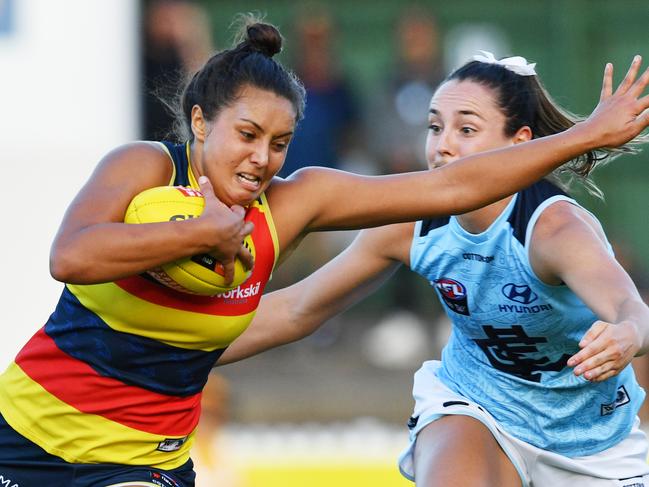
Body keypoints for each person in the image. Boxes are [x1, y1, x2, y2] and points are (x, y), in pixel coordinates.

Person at [0, 11, 647, 483]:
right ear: (199, 122)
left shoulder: (297, 201)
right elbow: (73, 257)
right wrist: (190, 257)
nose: (260, 158)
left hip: (589, 444)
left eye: (277, 143)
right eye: (246, 133)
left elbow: (628, 308)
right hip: (28, 430)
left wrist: (584, 136)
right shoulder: (145, 167)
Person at [218, 52, 649, 486]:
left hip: (593, 445)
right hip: (478, 407)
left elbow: (632, 309)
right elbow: (297, 309)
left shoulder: (552, 228)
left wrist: (627, 334)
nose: (442, 144)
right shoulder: (413, 224)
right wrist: (169, 348)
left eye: (466, 129)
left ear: (520, 143)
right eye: (434, 126)